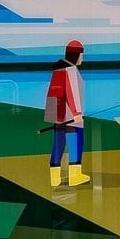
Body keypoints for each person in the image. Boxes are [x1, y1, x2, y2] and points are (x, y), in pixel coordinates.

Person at [45, 40, 90, 188]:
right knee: (76, 142)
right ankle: (75, 176)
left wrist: (54, 115)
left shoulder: (58, 69)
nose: (82, 58)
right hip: (71, 116)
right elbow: (72, 93)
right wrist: (77, 113)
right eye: (81, 55)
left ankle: (55, 178)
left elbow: (53, 93)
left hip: (58, 116)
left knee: (58, 144)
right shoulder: (70, 70)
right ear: (76, 55)